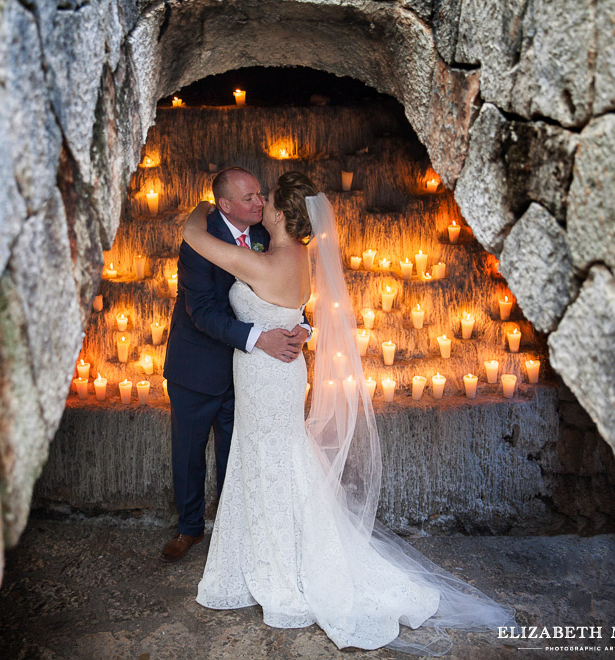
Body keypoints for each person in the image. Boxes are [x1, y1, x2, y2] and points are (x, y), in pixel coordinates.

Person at [182, 171, 516, 654]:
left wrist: (201, 208)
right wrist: (301, 329)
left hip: (266, 377)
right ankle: (272, 551)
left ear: (280, 214)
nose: (261, 205)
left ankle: (280, 567)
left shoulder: (263, 261)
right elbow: (289, 310)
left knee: (272, 462)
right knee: (277, 460)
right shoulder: (296, 255)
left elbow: (194, 235)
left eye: (267, 200)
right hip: (279, 372)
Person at [160, 167, 309, 562]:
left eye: (262, 195)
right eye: (249, 198)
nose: (259, 202)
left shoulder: (266, 235)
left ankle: (234, 530)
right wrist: (260, 338)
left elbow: (287, 293)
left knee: (236, 453)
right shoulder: (201, 240)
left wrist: (301, 326)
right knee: (189, 453)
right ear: (225, 205)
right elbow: (202, 312)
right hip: (197, 366)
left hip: (248, 374)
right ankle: (188, 529)